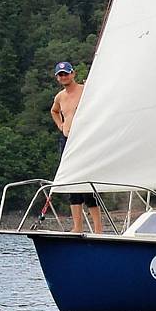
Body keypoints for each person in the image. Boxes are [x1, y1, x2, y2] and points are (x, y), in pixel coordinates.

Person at [50, 61, 102, 234]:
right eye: (60, 75)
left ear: (73, 74)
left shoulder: (85, 90)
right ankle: (77, 227)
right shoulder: (60, 97)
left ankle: (98, 229)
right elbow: (54, 111)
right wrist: (60, 125)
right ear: (57, 77)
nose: (63, 77)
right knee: (71, 183)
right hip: (67, 140)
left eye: (66, 73)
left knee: (87, 185)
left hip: (84, 139)